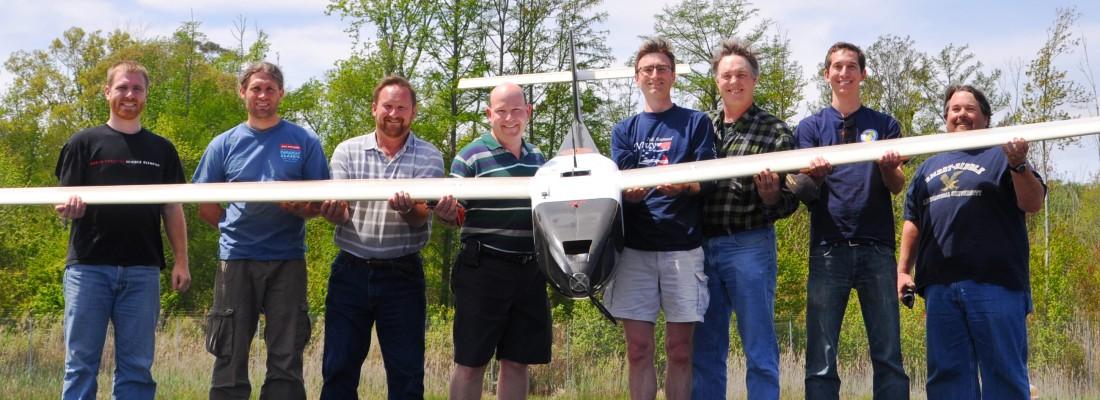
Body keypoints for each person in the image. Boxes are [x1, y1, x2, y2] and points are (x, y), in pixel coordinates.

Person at [193, 61, 330, 400]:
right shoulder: (223, 144)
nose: (263, 95)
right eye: (256, 88)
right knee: (229, 353)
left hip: (288, 260)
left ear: (281, 93)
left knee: (287, 357)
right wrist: (233, 230)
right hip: (236, 260)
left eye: (270, 88)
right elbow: (204, 205)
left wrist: (303, 209)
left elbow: (324, 203)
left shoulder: (304, 140)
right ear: (243, 93)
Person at [53, 60, 190, 400]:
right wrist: (66, 210)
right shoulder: (83, 143)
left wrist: (181, 261)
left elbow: (173, 206)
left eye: (137, 88)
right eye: (122, 87)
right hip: (88, 268)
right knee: (81, 363)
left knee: (137, 367)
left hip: (142, 270)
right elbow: (60, 201)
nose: (129, 95)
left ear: (146, 95)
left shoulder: (162, 149)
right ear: (107, 92)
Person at [898, 85, 1044, 399]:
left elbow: (1033, 203)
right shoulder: (927, 167)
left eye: (969, 108)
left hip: (996, 284)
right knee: (947, 378)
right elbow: (913, 222)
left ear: (986, 118)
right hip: (939, 287)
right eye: (954, 109)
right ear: (946, 117)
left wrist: (1019, 165)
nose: (961, 114)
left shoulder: (1003, 155)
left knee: (1004, 375)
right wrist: (902, 270)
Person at [317, 75, 444, 399]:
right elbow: (342, 211)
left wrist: (406, 209)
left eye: (402, 107)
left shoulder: (430, 156)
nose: (394, 113)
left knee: (406, 375)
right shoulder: (347, 151)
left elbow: (420, 218)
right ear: (374, 109)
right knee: (338, 370)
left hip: (403, 274)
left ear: (413, 112)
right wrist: (334, 212)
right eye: (388, 106)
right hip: (351, 270)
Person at [795, 42, 910, 400]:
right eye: (837, 67)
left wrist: (889, 167)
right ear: (826, 74)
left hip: (876, 249)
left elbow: (897, 185)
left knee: (888, 355)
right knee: (821, 360)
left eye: (851, 67)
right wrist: (812, 177)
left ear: (863, 73)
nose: (843, 73)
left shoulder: (885, 124)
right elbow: (801, 191)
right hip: (828, 249)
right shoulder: (810, 127)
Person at [606, 37, 716, 400]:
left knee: (680, 351)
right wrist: (630, 194)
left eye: (662, 69)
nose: (655, 75)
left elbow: (707, 179)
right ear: (636, 78)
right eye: (647, 70)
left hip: (682, 248)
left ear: (673, 75)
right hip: (635, 250)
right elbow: (622, 184)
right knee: (638, 350)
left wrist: (684, 185)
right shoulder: (623, 130)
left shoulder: (696, 122)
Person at [691, 39, 799, 400]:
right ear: (717, 82)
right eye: (726, 75)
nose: (733, 81)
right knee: (706, 350)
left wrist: (771, 197)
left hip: (750, 244)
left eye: (741, 74)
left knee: (758, 346)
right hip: (702, 248)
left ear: (754, 80)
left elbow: (790, 199)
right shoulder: (700, 127)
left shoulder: (777, 132)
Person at [437, 82, 551, 400]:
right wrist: (446, 211)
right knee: (471, 362)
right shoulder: (470, 156)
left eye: (516, 110)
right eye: (501, 111)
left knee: (517, 362)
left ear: (528, 113)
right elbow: (453, 213)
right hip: (483, 270)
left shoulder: (539, 158)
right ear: (489, 114)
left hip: (529, 271)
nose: (509, 118)